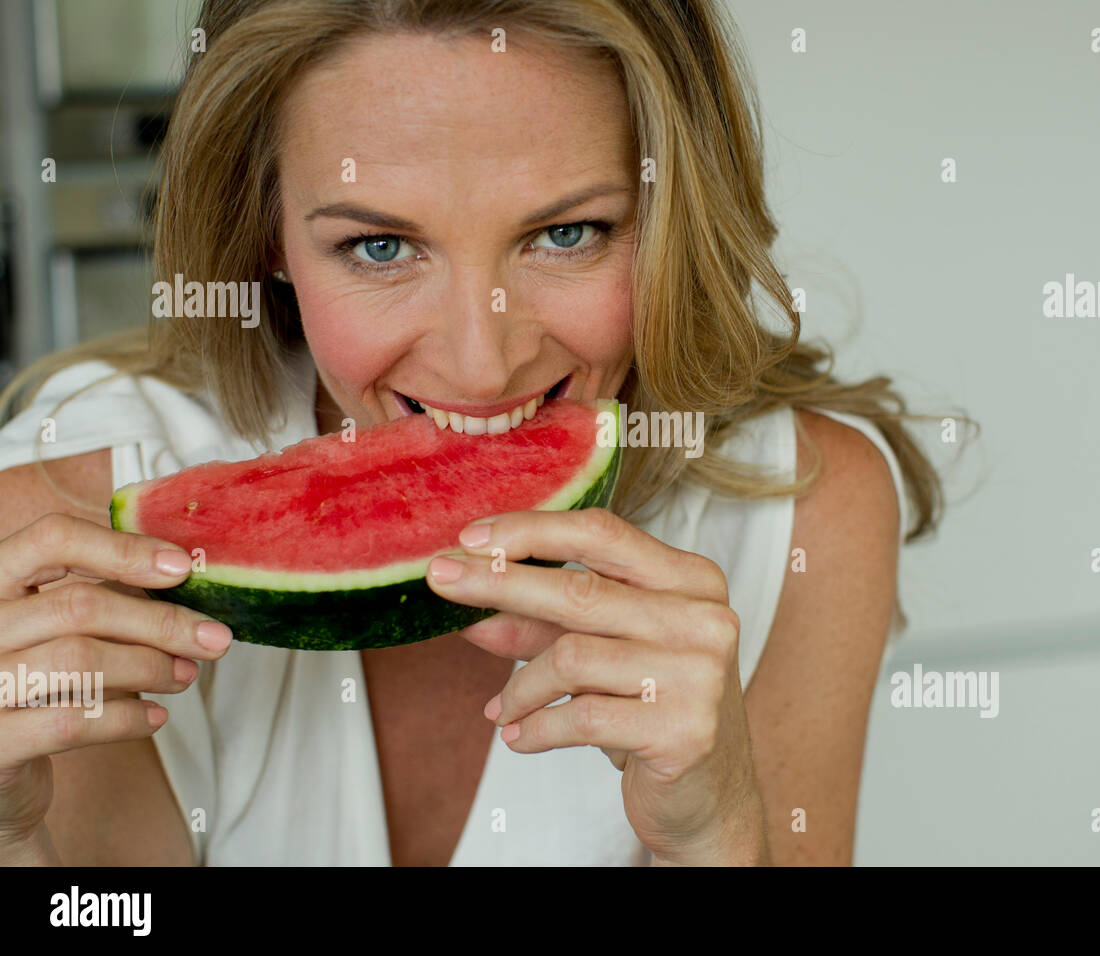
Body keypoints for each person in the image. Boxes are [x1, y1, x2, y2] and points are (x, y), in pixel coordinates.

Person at [0, 0, 962, 866]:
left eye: (568, 234)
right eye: (379, 246)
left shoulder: (804, 508)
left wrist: (718, 842)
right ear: (267, 236)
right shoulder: (69, 526)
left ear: (672, 215)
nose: (481, 363)